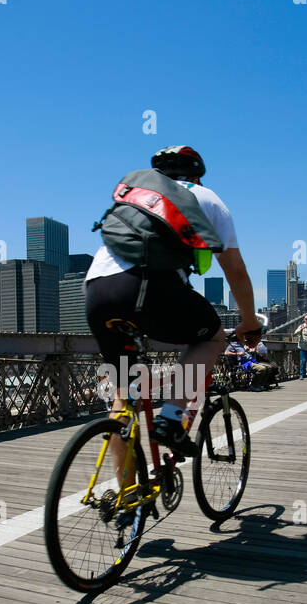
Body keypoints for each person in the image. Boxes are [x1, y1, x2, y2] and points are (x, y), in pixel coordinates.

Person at [86, 145, 261, 457]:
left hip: (96, 290)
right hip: (146, 289)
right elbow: (235, 271)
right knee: (212, 336)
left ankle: (128, 502)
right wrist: (249, 322)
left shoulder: (140, 196)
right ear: (196, 176)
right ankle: (171, 418)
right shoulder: (206, 198)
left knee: (124, 398)